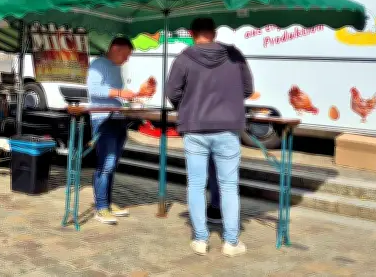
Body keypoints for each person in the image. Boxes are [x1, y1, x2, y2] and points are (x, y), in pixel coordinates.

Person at [165, 17, 253, 257]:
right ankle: (231, 242)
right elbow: (247, 89)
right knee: (229, 186)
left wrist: (188, 106)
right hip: (227, 128)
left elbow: (172, 92)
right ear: (214, 32)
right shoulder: (234, 55)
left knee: (196, 185)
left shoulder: (184, 58)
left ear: (191, 33)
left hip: (194, 129)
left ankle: (200, 239)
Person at [86, 37, 148, 225]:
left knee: (112, 165)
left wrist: (131, 98)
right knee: (106, 163)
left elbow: (114, 94)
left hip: (118, 118)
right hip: (103, 119)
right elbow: (94, 90)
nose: (127, 59)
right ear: (115, 49)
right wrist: (121, 93)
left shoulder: (116, 68)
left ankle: (107, 202)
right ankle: (101, 207)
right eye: (126, 55)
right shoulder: (98, 64)